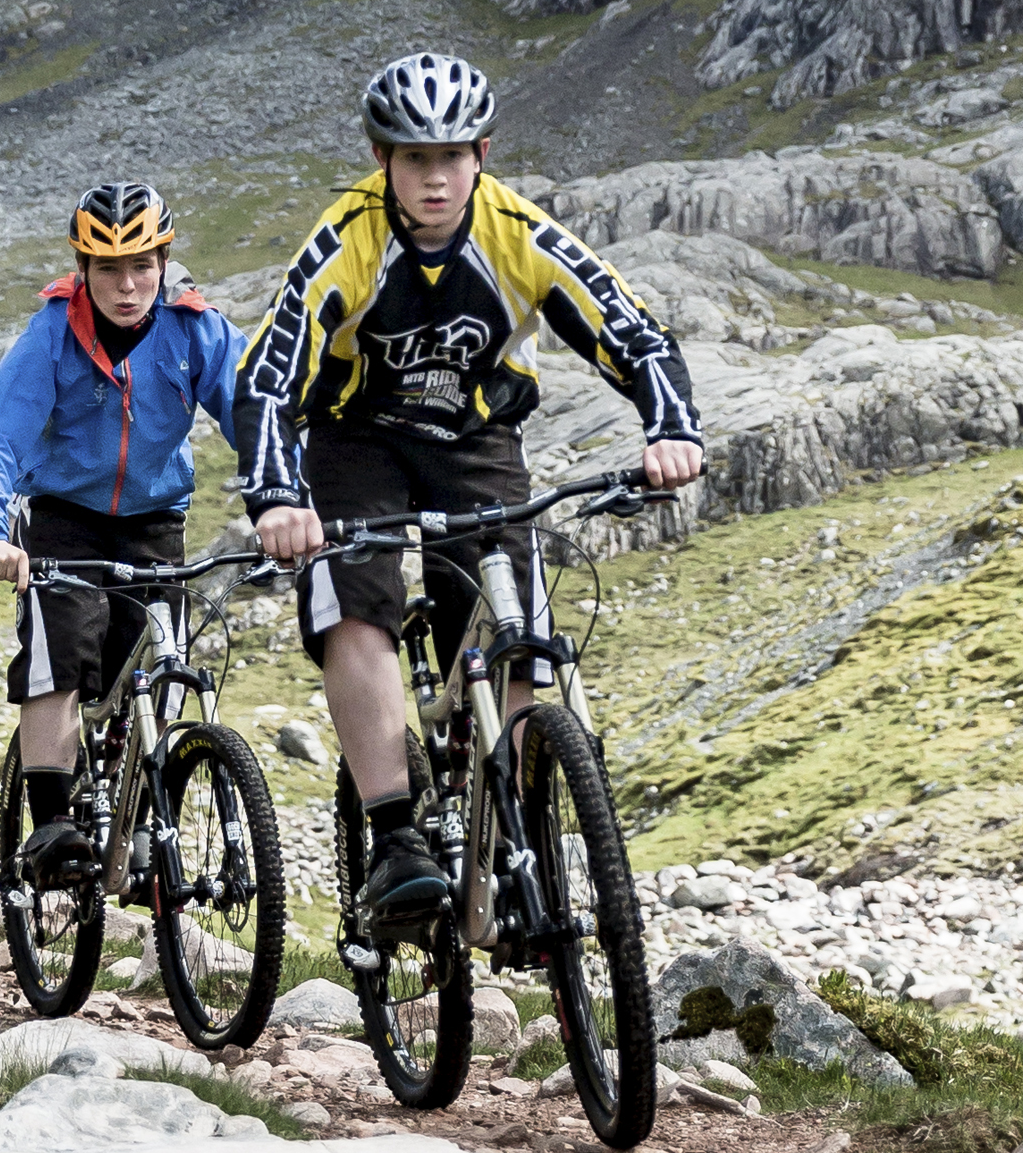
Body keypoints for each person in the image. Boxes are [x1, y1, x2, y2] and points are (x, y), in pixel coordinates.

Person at [241, 51, 706, 926]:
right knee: (354, 605)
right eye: (414, 159)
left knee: (520, 634)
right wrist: (275, 496)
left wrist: (671, 428)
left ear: (481, 153)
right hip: (358, 443)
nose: (434, 177)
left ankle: (508, 835)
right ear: (383, 159)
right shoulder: (344, 239)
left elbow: (633, 332)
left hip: (475, 441)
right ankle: (394, 840)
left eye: (451, 157)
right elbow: (268, 376)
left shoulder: (516, 230)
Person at [0, 180, 245, 883]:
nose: (126, 285)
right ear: (82, 269)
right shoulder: (53, 332)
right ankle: (53, 824)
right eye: (108, 268)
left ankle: (146, 822)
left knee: (158, 668)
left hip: (154, 520)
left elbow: (255, 413)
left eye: (141, 266)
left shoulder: (195, 327)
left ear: (163, 261)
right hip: (63, 517)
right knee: (59, 654)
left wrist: (291, 500)